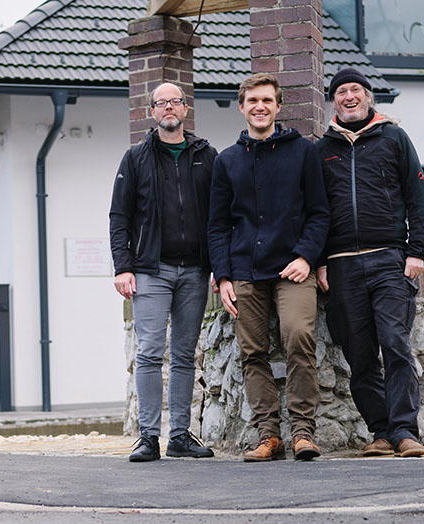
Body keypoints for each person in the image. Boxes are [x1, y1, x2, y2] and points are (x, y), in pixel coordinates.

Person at [208, 72, 329, 462]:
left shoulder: (303, 152)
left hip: (293, 267)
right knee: (253, 352)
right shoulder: (226, 161)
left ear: (278, 107)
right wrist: (223, 275)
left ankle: (303, 434)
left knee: (298, 338)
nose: (259, 107)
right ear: (242, 107)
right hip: (245, 270)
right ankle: (268, 436)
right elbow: (217, 225)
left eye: (267, 101)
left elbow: (320, 213)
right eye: (252, 101)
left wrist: (306, 257)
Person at [315, 68, 424, 458]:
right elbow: (314, 211)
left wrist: (416, 250)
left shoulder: (394, 138)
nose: (349, 96)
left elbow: (418, 197)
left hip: (389, 260)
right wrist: (320, 262)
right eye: (341, 92)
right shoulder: (322, 149)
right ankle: (380, 432)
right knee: (359, 355)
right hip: (342, 265)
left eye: (355, 90)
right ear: (332, 101)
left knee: (395, 344)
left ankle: (404, 431)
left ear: (368, 97)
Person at [110, 82, 218, 462]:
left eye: (175, 101)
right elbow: (119, 217)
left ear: (185, 109)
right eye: (161, 103)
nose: (168, 107)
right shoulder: (135, 158)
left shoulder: (207, 156)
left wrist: (219, 268)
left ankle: (180, 437)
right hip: (150, 271)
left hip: (195, 271)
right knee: (150, 353)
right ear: (151, 112)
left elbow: (219, 217)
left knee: (186, 354)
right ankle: (149, 437)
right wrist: (123, 267)